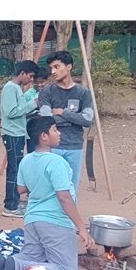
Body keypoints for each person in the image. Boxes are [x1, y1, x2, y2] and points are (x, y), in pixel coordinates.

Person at [0, 117, 96, 270]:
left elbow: (21, 189)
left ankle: (11, 262)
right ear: (44, 136)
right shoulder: (56, 162)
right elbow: (64, 196)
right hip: (55, 221)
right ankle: (17, 265)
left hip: (32, 219)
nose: (59, 133)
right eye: (55, 130)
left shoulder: (26, 160)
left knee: (32, 256)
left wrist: (39, 183)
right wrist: (82, 228)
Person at [38, 51, 94, 200]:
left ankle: (70, 215)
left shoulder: (84, 93)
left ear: (69, 67)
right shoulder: (46, 92)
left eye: (57, 67)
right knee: (50, 188)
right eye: (51, 68)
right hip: (52, 147)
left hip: (75, 146)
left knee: (71, 188)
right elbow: (46, 120)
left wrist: (62, 113)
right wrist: (75, 117)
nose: (53, 71)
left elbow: (88, 120)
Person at [0, 60, 39, 218]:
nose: (31, 79)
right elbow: (11, 112)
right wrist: (33, 104)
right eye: (30, 76)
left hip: (17, 134)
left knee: (16, 169)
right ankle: (10, 207)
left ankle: (14, 203)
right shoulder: (10, 88)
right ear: (22, 73)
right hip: (12, 135)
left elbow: (19, 112)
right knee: (14, 170)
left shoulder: (17, 88)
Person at [23, 66, 51, 154]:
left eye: (42, 82)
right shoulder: (27, 95)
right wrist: (34, 114)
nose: (39, 85)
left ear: (47, 81)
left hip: (48, 132)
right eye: (36, 82)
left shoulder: (51, 93)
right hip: (32, 133)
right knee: (33, 154)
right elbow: (22, 114)